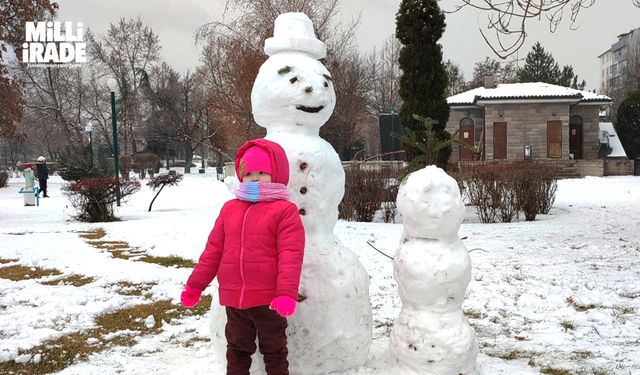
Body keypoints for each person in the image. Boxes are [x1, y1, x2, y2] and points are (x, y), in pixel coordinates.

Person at [181, 138, 305, 375]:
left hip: (269, 301)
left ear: (276, 173)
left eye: (263, 172)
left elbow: (291, 255)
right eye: (249, 173)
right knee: (237, 351)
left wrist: (286, 293)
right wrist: (195, 285)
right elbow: (212, 251)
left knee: (275, 351)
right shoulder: (230, 209)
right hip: (234, 300)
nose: (255, 178)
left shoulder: (284, 210)